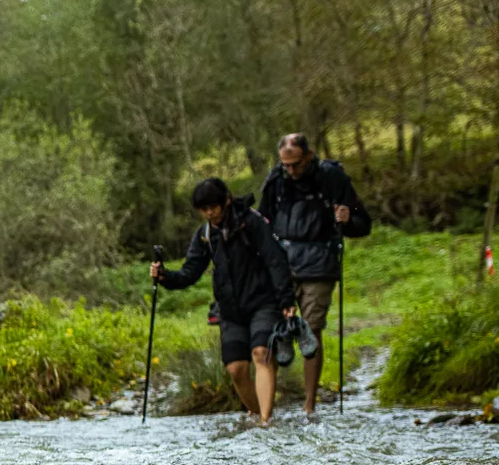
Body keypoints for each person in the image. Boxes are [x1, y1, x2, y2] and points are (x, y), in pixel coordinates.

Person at [151, 178, 296, 427]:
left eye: (213, 207)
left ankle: (265, 422)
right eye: (204, 209)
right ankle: (259, 413)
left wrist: (286, 301)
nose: (209, 213)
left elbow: (275, 260)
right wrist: (164, 275)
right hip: (230, 310)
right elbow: (190, 273)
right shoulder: (206, 235)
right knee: (236, 370)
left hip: (264, 302)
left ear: (226, 200)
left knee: (261, 354)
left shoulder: (251, 222)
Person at [258, 133, 371, 414]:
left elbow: (363, 222)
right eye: (286, 165)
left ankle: (309, 406)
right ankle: (266, 405)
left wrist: (347, 220)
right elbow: (261, 222)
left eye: (295, 164)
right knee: (272, 329)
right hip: (282, 264)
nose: (291, 171)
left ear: (309, 156)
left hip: (320, 265)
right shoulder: (276, 181)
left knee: (312, 329)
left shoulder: (333, 178)